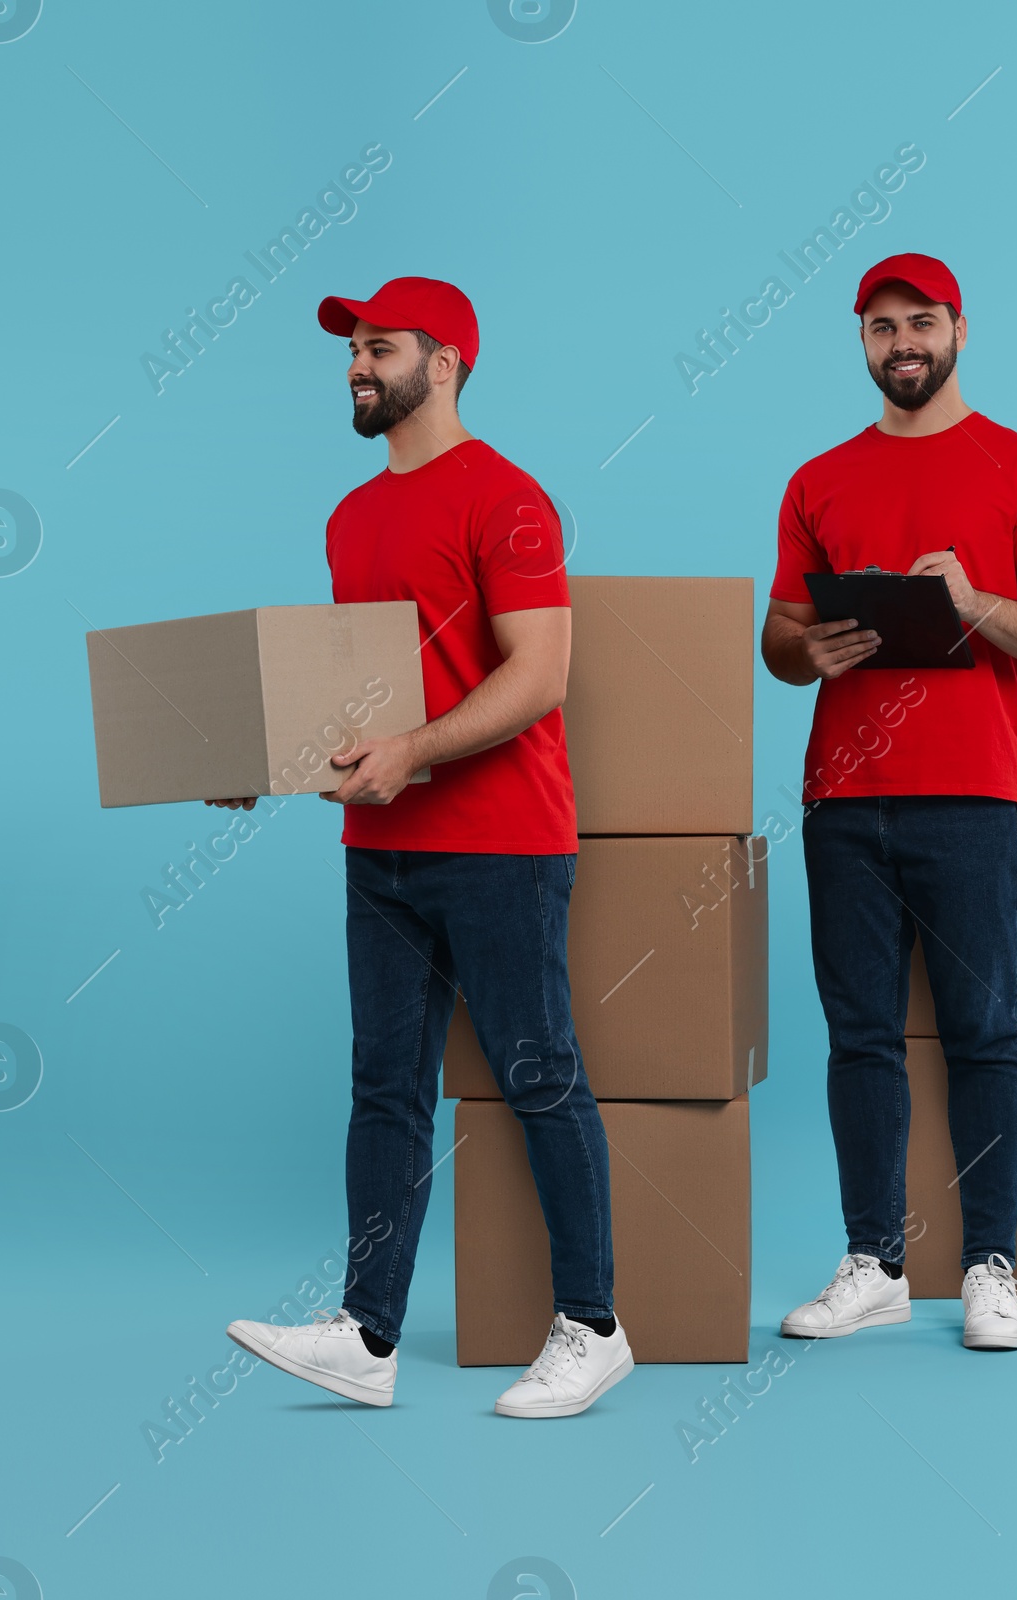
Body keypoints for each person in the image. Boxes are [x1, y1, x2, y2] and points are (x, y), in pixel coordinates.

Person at [220, 277, 630, 1416]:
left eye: (378, 347)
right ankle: (368, 1333)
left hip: (502, 845)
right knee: (384, 1090)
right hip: (379, 846)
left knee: (538, 1076)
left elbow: (540, 675)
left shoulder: (506, 499)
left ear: (443, 363)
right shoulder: (351, 516)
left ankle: (593, 1326)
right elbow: (356, 699)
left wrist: (417, 752)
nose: (357, 367)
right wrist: (263, 764)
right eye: (351, 350)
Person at [763, 253, 1017, 1350]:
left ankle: (990, 1266)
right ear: (860, 341)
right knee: (860, 1035)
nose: (901, 342)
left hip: (972, 796)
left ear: (959, 328)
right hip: (843, 798)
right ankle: (875, 1262)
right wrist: (814, 647)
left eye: (920, 322)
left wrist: (972, 601)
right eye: (879, 326)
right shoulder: (817, 480)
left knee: (983, 1033)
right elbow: (774, 641)